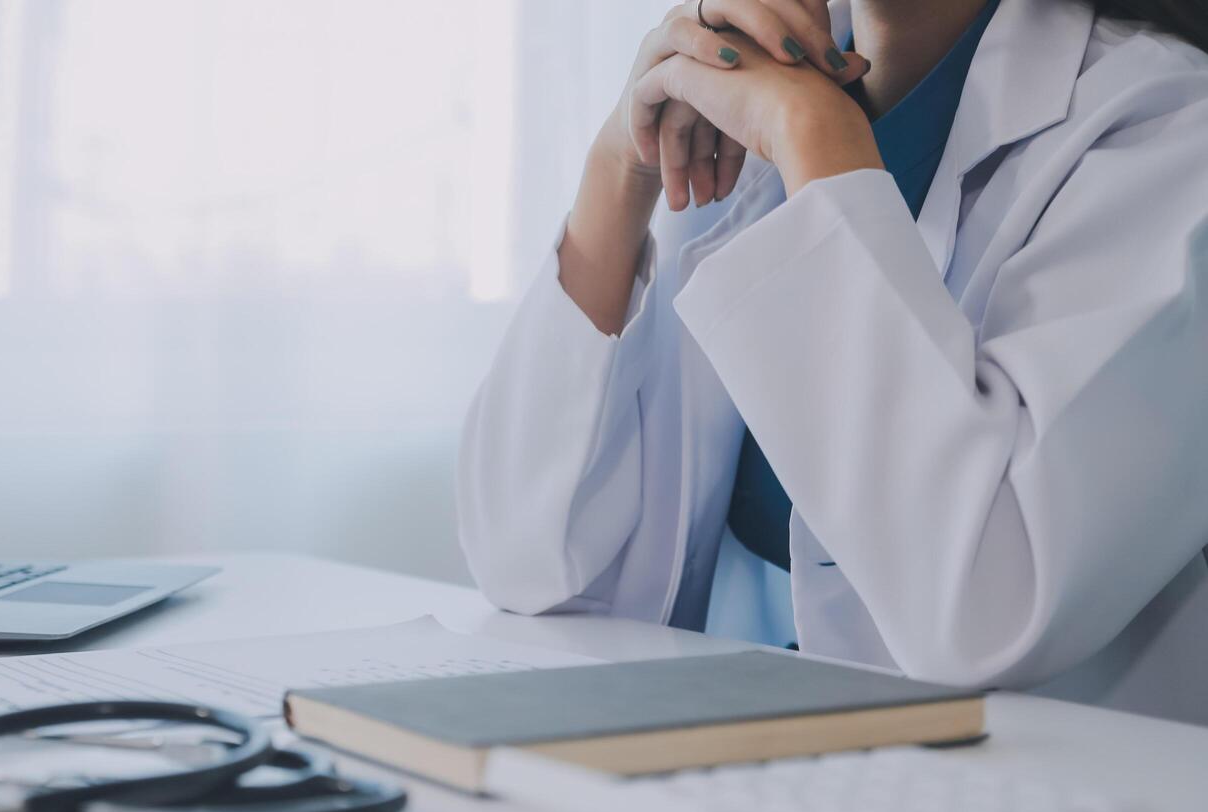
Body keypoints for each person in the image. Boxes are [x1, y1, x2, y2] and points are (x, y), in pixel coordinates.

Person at [457, 0, 1208, 724]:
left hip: (1025, 811)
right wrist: (620, 171)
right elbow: (521, 559)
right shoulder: (741, 89)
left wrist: (818, 140)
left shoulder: (1172, 131)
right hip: (709, 766)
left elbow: (981, 615)